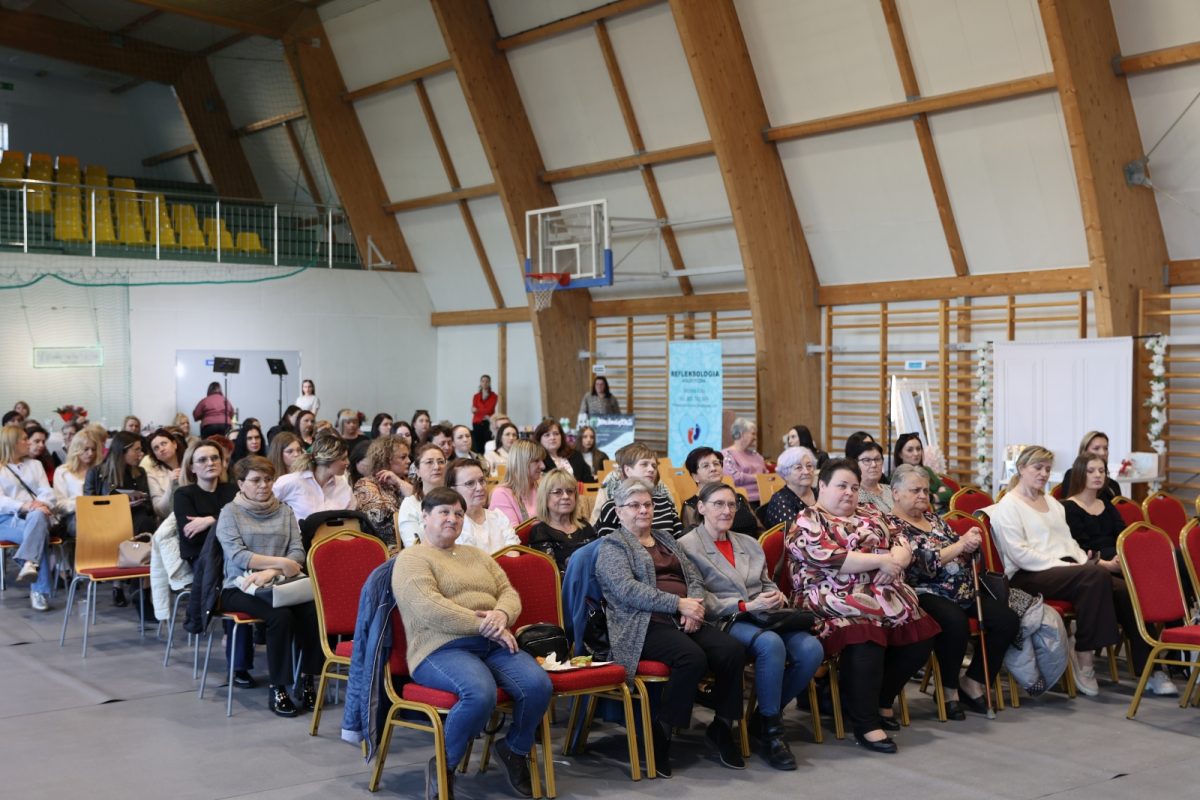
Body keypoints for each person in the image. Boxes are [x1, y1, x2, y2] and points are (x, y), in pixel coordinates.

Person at [392, 486, 553, 799]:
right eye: (444, 512)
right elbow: (430, 607)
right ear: (424, 517)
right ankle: (444, 765)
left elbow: (509, 594)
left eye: (458, 513)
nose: (453, 519)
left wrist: (501, 615)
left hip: (490, 641)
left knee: (538, 686)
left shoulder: (477, 555)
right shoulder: (411, 559)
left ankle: (514, 749)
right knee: (480, 694)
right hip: (439, 648)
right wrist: (485, 625)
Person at [987, 446, 1177, 697]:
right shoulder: (1008, 505)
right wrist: (1077, 567)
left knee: (1127, 591)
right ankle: (1084, 653)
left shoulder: (1052, 503)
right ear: (1021, 468)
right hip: (1027, 575)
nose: (1043, 473)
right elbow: (1019, 554)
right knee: (1093, 577)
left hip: (1065, 570)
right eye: (1037, 468)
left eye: (1046, 468)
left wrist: (1088, 563)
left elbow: (1070, 544)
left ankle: (1151, 669)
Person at [786, 458, 938, 753]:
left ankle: (879, 700)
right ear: (823, 486)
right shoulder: (808, 520)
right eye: (841, 486)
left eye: (854, 487)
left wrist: (895, 560)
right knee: (866, 635)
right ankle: (866, 724)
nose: (849, 493)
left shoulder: (870, 513)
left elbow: (904, 541)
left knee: (922, 634)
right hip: (829, 598)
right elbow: (830, 557)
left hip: (882, 593)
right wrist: (881, 561)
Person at [596, 478, 747, 775]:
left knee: (733, 650)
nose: (643, 510)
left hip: (684, 618)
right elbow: (627, 590)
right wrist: (677, 605)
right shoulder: (613, 545)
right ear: (618, 510)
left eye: (648, 504)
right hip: (641, 625)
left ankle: (721, 727)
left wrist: (694, 607)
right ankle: (660, 732)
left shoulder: (666, 538)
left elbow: (694, 578)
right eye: (635, 505)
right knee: (692, 658)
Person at [679, 482, 824, 770]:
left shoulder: (747, 542)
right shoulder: (686, 546)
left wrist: (775, 595)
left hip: (764, 614)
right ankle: (772, 732)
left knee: (811, 648)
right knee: (770, 644)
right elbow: (698, 597)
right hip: (724, 619)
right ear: (702, 508)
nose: (727, 510)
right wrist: (745, 606)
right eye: (719, 504)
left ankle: (762, 717)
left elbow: (765, 582)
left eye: (732, 504)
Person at [889, 464, 1020, 719]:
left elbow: (960, 552)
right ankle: (948, 690)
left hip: (962, 590)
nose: (923, 496)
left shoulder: (936, 521)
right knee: (955, 622)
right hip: (923, 592)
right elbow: (922, 564)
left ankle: (973, 681)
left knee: (1007, 620)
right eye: (915, 490)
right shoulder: (891, 526)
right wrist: (959, 546)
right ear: (895, 493)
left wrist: (970, 543)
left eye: (926, 491)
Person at [216, 456, 323, 717]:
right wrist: (278, 564)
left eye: (267, 480)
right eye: (256, 480)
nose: (263, 485)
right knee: (280, 617)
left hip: (281, 583)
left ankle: (307, 678)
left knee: (313, 610)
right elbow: (238, 555)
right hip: (239, 586)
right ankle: (279, 686)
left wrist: (273, 571)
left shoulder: (284, 510)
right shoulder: (230, 512)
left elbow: (297, 550)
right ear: (241, 484)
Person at [0, 425, 55, 610]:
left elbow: (47, 492)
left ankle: (29, 564)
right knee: (40, 534)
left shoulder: (35, 464)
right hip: (6, 519)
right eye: (25, 439)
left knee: (38, 519)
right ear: (12, 443)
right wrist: (25, 506)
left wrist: (38, 505)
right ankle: (38, 590)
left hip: (35, 515)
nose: (29, 442)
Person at [592, 443, 682, 539]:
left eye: (654, 466)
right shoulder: (613, 507)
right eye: (644, 464)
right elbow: (606, 547)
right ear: (627, 470)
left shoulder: (666, 503)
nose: (651, 469)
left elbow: (680, 540)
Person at [272, 431, 355, 525]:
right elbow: (265, 504)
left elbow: (352, 518)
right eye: (343, 459)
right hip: (303, 538)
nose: (347, 462)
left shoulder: (343, 484)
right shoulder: (293, 481)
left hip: (338, 537)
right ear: (328, 460)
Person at [84, 430, 156, 535]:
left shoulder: (140, 472)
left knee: (145, 522)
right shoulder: (96, 473)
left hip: (135, 518)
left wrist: (137, 502)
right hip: (106, 520)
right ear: (123, 451)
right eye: (137, 450)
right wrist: (120, 506)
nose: (141, 454)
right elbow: (89, 506)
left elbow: (148, 506)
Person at [527, 468, 598, 570]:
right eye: (557, 492)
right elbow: (550, 575)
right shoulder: (540, 533)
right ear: (545, 498)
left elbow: (600, 562)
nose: (566, 496)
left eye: (570, 491)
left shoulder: (585, 527)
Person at [680, 446, 759, 536]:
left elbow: (760, 530)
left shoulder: (739, 498)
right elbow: (694, 542)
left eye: (716, 463)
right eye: (706, 466)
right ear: (695, 476)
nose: (713, 468)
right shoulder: (691, 506)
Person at [352, 435, 413, 549]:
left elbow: (420, 505)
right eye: (403, 457)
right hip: (385, 551)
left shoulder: (404, 482)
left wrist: (398, 481)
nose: (409, 461)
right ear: (386, 459)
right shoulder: (366, 485)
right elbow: (381, 526)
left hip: (410, 545)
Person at [447, 458, 519, 554]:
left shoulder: (498, 517)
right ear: (453, 490)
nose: (480, 488)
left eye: (482, 481)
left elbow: (514, 552)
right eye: (470, 483)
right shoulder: (451, 525)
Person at [1062, 453, 1126, 561]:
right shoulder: (1069, 507)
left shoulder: (1106, 504)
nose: (1098, 475)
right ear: (1079, 474)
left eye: (1101, 471)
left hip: (1118, 556)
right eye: (1090, 471)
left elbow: (1123, 534)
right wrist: (1106, 563)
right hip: (1093, 563)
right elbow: (1079, 548)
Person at [397, 442, 448, 548]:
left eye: (441, 462)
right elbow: (413, 546)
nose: (437, 467)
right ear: (417, 470)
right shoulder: (410, 504)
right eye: (429, 462)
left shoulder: (456, 500)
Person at [489, 439, 547, 527]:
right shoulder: (501, 494)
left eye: (542, 460)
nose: (543, 466)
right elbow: (513, 535)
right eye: (536, 461)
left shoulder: (542, 485)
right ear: (521, 463)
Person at [758, 446, 817, 529]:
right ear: (785, 474)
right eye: (798, 467)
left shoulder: (820, 493)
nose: (806, 471)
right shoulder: (780, 500)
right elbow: (799, 533)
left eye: (809, 466)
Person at [891, 433, 952, 512]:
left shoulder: (927, 471)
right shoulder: (896, 477)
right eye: (910, 450)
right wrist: (938, 498)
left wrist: (933, 498)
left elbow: (949, 492)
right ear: (900, 454)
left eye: (918, 449)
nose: (916, 453)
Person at [54, 432, 98, 537]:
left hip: (97, 512)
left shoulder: (98, 470)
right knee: (83, 524)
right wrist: (80, 505)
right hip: (72, 514)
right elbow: (59, 504)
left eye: (93, 449)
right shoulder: (63, 472)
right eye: (86, 449)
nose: (90, 453)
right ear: (76, 449)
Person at [1059, 431, 1121, 500]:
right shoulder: (1072, 475)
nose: (1103, 453)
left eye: (1105, 448)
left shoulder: (1114, 484)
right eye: (1096, 448)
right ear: (1084, 451)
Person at [142, 428, 185, 524]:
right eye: (156, 448)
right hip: (169, 521)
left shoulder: (192, 465)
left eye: (164, 443)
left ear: (174, 444)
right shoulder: (152, 474)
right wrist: (171, 484)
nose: (161, 449)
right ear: (155, 455)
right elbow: (160, 511)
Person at [722, 417, 767, 505]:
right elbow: (734, 478)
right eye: (753, 434)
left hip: (764, 497)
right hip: (743, 501)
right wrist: (757, 477)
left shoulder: (756, 455)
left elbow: (766, 476)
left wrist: (757, 477)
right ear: (742, 434)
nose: (755, 438)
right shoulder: (727, 454)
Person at [535, 418, 594, 483]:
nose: (552, 438)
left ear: (562, 437)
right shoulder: (538, 460)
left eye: (556, 434)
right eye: (547, 435)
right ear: (539, 439)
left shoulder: (575, 455)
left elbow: (589, 480)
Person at [855, 441, 892, 513]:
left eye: (877, 459)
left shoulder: (891, 490)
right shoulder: (854, 494)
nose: (874, 464)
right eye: (867, 460)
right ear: (856, 464)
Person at [471, 374, 499, 454]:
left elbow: (489, 409)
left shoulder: (494, 396)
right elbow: (474, 410)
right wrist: (480, 412)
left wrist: (477, 410)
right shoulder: (476, 396)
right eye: (483, 381)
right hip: (476, 423)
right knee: (477, 445)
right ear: (480, 383)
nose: (485, 383)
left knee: (487, 444)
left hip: (488, 423)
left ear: (490, 383)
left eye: (487, 381)